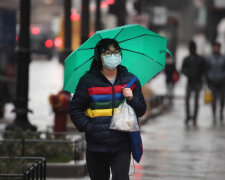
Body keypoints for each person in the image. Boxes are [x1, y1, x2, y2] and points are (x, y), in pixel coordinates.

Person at [69, 38, 146, 180]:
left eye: (116, 52)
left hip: (122, 145)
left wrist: (132, 99)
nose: (113, 56)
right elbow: (75, 109)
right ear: (99, 57)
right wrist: (90, 127)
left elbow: (141, 110)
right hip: (96, 147)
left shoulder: (130, 81)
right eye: (108, 53)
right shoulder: (87, 81)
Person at [181, 41, 205, 126]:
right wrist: (189, 74)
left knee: (194, 101)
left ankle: (193, 117)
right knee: (189, 100)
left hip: (196, 82)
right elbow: (183, 69)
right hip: (191, 82)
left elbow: (203, 70)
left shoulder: (199, 59)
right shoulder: (187, 59)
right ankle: (189, 116)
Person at [205, 42, 225, 124]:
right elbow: (207, 70)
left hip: (222, 81)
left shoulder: (223, 58)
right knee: (213, 99)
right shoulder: (210, 58)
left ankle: (221, 112)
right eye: (215, 47)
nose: (216, 49)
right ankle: (214, 115)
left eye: (217, 47)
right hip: (213, 81)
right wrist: (208, 80)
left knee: (222, 99)